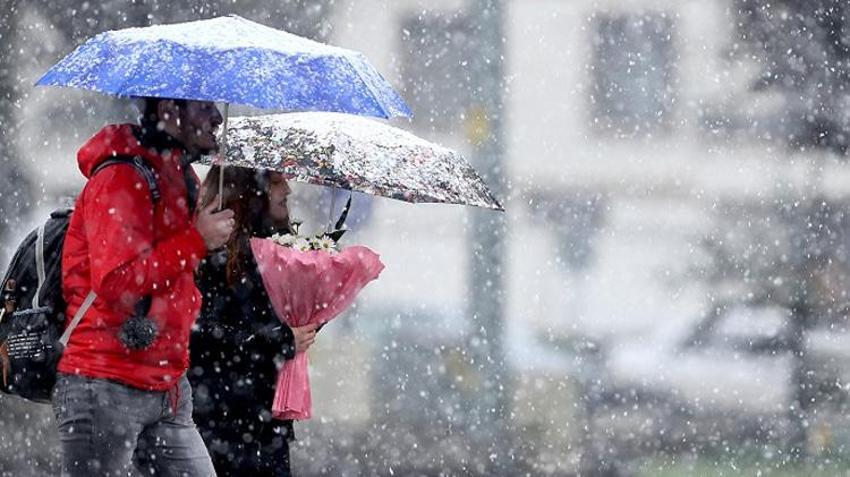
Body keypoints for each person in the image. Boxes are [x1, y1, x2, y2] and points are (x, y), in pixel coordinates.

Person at [54, 97, 235, 476]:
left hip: (168, 385)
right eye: (204, 108)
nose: (217, 117)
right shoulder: (121, 177)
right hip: (105, 383)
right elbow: (117, 283)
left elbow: (175, 272)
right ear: (170, 108)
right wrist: (196, 240)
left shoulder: (181, 176)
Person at [190, 165, 318, 477]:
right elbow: (202, 333)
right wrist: (281, 339)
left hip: (262, 420)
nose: (287, 190)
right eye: (277, 181)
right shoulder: (211, 251)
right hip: (219, 419)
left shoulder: (276, 250)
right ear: (252, 190)